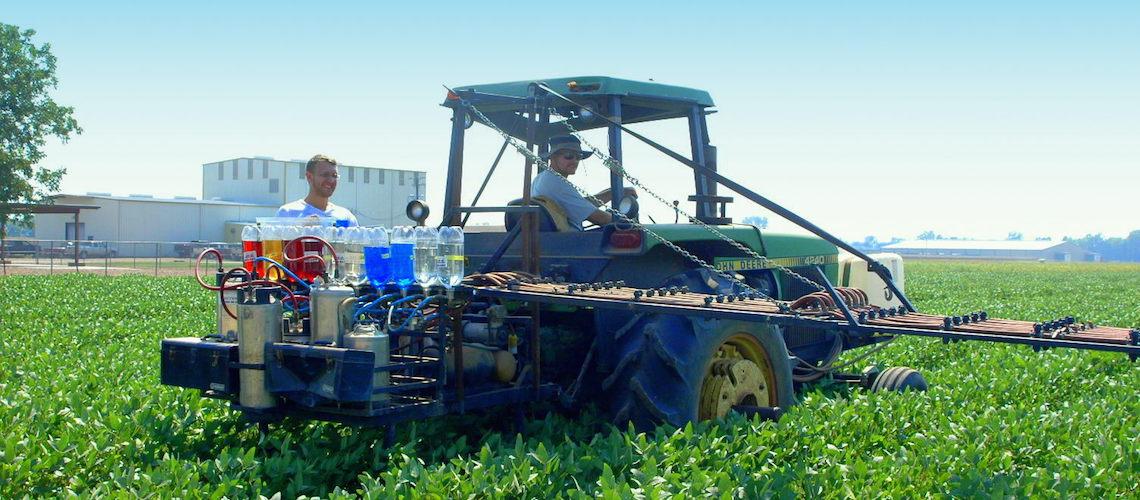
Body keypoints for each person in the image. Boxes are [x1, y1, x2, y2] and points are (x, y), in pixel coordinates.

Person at [531, 135, 636, 230]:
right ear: (553, 157)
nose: (575, 161)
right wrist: (630, 224)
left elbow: (582, 205)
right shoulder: (556, 183)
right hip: (567, 242)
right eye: (568, 156)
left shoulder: (542, 178)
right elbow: (600, 218)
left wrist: (613, 193)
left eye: (578, 157)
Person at [277, 154, 359, 226]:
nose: (331, 180)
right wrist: (301, 228)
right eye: (325, 175)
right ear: (309, 177)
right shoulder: (288, 213)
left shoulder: (346, 217)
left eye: (334, 176)